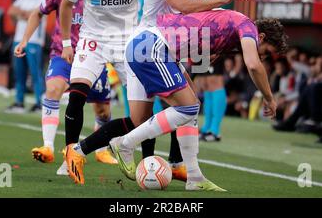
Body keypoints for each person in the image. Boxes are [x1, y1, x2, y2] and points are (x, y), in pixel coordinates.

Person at [63, 0, 248, 186]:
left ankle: (79, 150)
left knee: (140, 119)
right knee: (187, 106)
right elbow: (184, 6)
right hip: (149, 49)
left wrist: (217, 44)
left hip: (153, 52)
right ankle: (178, 167)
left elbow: (208, 16)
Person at [106, 11, 287, 191]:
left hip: (155, 48)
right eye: (267, 52)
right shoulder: (247, 27)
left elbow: (198, 40)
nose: (264, 57)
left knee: (192, 106)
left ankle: (194, 177)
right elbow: (254, 65)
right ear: (261, 36)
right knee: (189, 107)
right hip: (151, 46)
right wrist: (269, 98)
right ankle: (124, 144)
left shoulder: (232, 33)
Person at [14, 0, 117, 173]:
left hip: (94, 56)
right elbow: (37, 13)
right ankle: (48, 146)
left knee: (102, 111)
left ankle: (101, 149)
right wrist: (24, 41)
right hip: (63, 54)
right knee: (52, 90)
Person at [59, 0, 148, 174]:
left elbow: (155, 1)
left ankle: (148, 162)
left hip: (127, 42)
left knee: (144, 105)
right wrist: (67, 43)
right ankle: (71, 155)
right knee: (77, 93)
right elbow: (66, 5)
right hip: (93, 40)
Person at [199, 0, 234, 142]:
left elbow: (221, 14)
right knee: (204, 83)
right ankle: (206, 127)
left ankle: (215, 129)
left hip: (216, 38)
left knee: (215, 81)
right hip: (201, 37)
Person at [6, 0, 48, 113]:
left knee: (35, 73)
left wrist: (24, 13)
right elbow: (11, 11)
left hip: (34, 39)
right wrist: (27, 14)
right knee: (19, 72)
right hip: (19, 39)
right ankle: (19, 102)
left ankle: (39, 103)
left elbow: (36, 14)